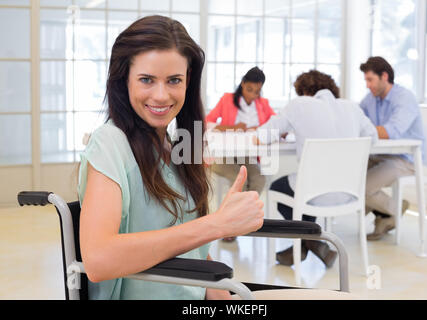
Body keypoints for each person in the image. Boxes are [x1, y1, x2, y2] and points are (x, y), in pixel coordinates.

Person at [77, 15, 264, 300]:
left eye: (174, 80)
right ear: (123, 80)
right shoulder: (110, 142)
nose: (161, 95)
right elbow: (99, 260)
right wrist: (217, 224)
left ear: (188, 82)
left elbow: (192, 248)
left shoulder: (177, 145)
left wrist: (223, 298)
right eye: (146, 80)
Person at [254, 70, 378, 267]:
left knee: (279, 187)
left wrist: (286, 130)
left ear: (304, 91)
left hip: (314, 194)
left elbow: (262, 136)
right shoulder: (352, 108)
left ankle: (311, 241)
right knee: (301, 187)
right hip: (349, 193)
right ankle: (310, 244)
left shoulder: (300, 105)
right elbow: (373, 138)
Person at [206, 67, 275, 241]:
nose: (253, 95)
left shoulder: (263, 104)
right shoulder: (227, 99)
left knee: (259, 178)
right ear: (243, 84)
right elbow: (207, 123)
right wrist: (235, 127)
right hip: (222, 156)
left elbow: (275, 124)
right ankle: (231, 227)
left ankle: (239, 221)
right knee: (241, 181)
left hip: (246, 155)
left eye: (257, 91)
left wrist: (260, 130)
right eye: (249, 89)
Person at [359, 56, 425, 241]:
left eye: (370, 79)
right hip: (381, 155)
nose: (367, 85)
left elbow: (390, 132)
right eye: (366, 80)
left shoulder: (404, 98)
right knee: (348, 177)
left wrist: (361, 127)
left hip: (406, 159)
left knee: (362, 188)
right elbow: (357, 119)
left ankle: (394, 208)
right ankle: (385, 215)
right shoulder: (370, 99)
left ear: (384, 76)